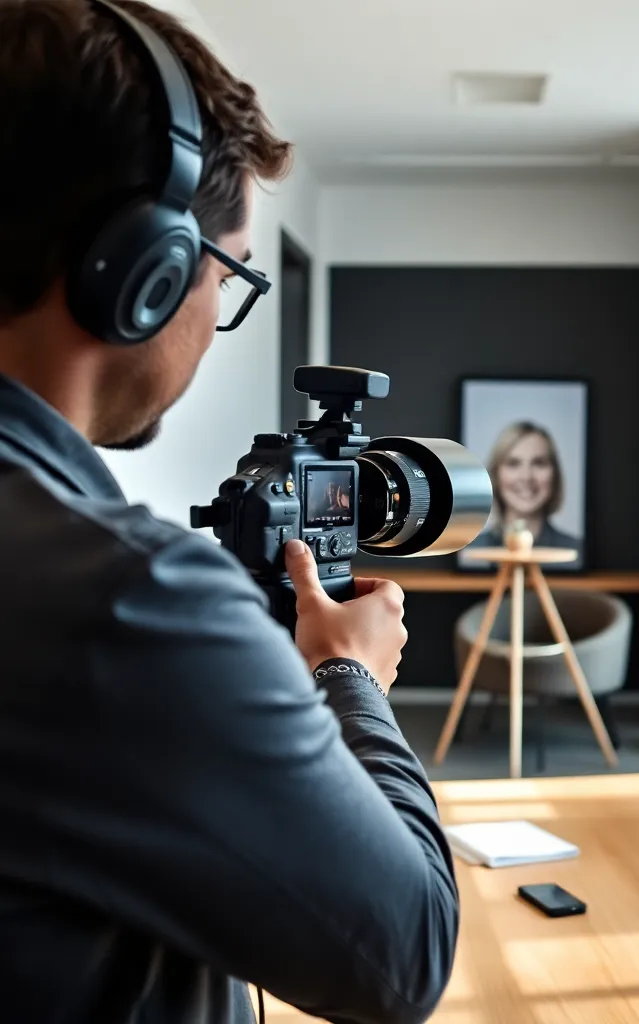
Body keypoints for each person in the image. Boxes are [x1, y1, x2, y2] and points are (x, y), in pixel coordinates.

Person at [0, 3, 457, 1023]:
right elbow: (404, 951)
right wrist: (349, 673)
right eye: (228, 273)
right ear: (145, 271)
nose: (216, 315)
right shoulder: (125, 596)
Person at [469, 420, 582, 566]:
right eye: (513, 463)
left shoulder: (575, 552)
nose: (526, 477)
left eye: (539, 463)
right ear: (495, 475)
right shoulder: (471, 552)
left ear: (555, 474)